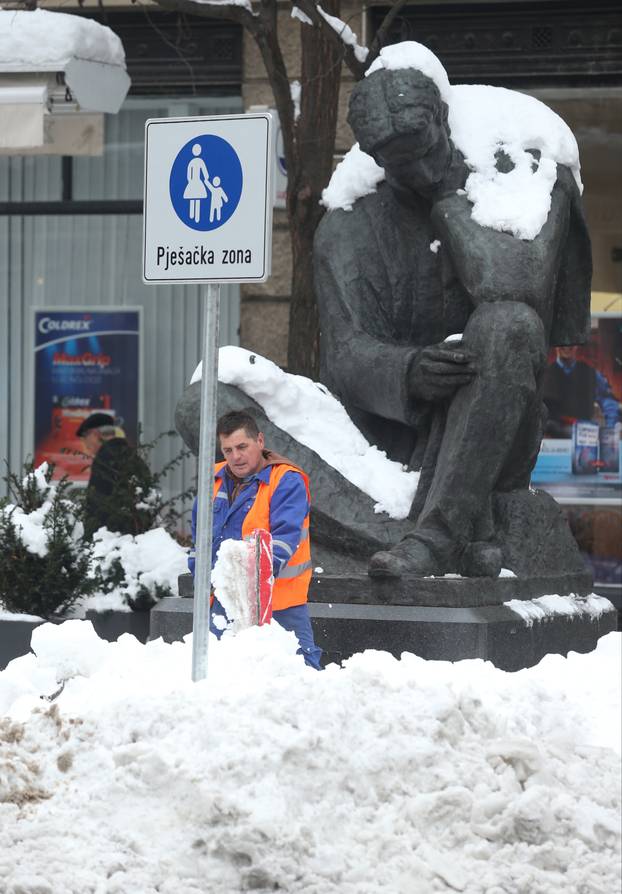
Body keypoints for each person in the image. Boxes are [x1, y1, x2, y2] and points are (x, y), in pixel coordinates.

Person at [314, 58, 592, 578]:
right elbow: (343, 354)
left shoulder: (519, 171)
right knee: (212, 394)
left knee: (508, 324)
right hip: (385, 444)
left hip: (496, 430)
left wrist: (449, 200)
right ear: (375, 160)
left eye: (425, 153)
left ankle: (437, 536)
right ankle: (449, 532)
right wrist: (409, 371)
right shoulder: (348, 226)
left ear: (444, 120)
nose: (418, 173)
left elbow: (517, 284)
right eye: (400, 166)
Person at [188, 410, 322, 670]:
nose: (235, 457)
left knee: (304, 674)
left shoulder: (285, 480)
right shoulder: (212, 478)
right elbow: (199, 536)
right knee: (218, 672)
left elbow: (284, 539)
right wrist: (201, 579)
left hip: (281, 602)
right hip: (224, 600)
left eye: (242, 446)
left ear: (259, 441)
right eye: (227, 450)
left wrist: (252, 586)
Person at [77, 412, 152, 539]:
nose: (84, 442)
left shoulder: (104, 459)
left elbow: (98, 505)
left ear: (95, 434)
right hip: (137, 535)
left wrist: (90, 537)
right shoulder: (133, 456)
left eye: (85, 436)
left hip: (111, 539)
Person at [542, 346, 621, 437]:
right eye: (563, 342)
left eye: (571, 342)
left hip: (584, 437)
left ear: (576, 346)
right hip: (551, 442)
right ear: (556, 346)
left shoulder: (591, 374)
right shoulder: (544, 375)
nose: (567, 346)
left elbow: (609, 403)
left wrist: (610, 430)